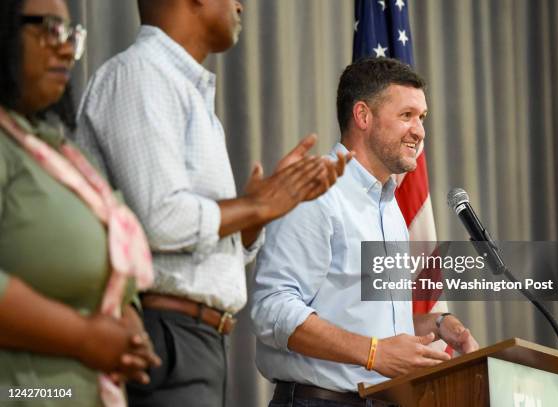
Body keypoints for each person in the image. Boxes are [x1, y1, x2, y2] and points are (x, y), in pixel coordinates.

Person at [74, 1, 350, 406]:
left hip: (200, 340)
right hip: (161, 333)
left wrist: (261, 212)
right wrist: (256, 207)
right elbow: (162, 221)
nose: (240, 6)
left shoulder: (187, 92)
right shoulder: (140, 75)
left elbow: (198, 248)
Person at [250, 57, 480, 407]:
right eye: (407, 116)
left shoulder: (389, 207)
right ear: (363, 116)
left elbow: (355, 317)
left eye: (422, 118)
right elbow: (271, 309)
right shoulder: (317, 189)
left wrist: (433, 324)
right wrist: (373, 353)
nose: (419, 131)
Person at [0, 0, 160, 406]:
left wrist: (128, 326)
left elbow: (118, 267)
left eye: (73, 34)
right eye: (51, 29)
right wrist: (85, 337)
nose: (68, 48)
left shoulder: (63, 155)